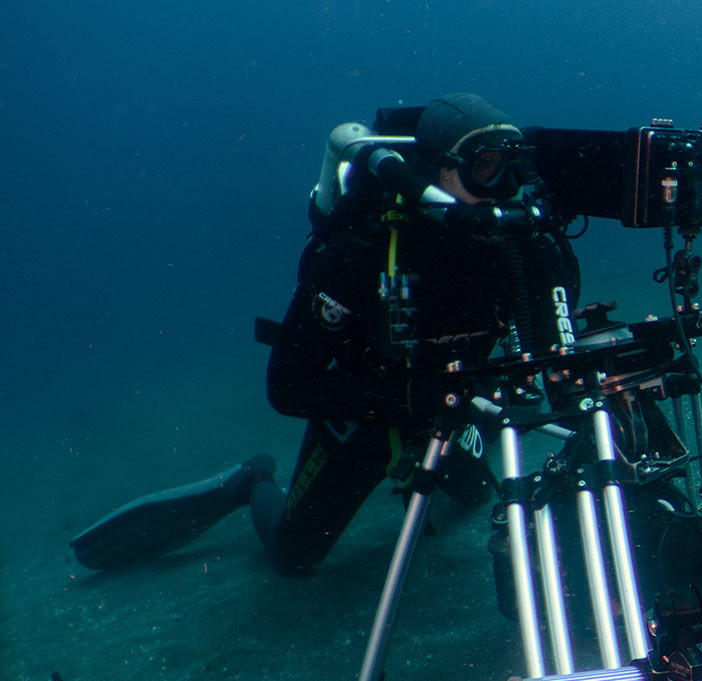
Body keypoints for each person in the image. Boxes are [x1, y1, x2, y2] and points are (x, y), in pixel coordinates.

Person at [71, 93, 580, 574]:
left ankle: (428, 451)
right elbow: (288, 386)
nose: (507, 189)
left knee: (475, 498)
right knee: (296, 557)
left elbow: (548, 347)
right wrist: (406, 395)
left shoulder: (520, 248)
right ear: (437, 170)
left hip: (446, 407)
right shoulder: (360, 255)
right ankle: (251, 482)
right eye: (487, 167)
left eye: (516, 168)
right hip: (364, 415)